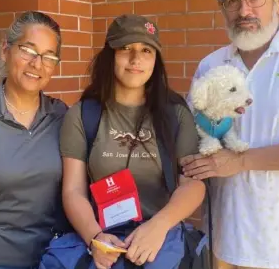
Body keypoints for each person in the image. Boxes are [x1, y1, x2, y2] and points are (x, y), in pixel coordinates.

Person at [182, 0, 279, 269]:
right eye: (233, 1)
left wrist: (240, 161)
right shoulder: (211, 65)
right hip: (226, 239)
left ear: (278, 1)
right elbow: (193, 134)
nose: (244, 11)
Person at [60, 14, 206, 269]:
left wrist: (159, 226)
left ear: (155, 60)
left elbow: (192, 184)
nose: (136, 59)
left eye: (146, 50)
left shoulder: (175, 113)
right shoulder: (84, 115)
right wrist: (95, 238)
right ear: (110, 56)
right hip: (104, 239)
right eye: (126, 48)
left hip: (160, 239)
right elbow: (73, 190)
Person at [0, 11, 68, 268]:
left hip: (53, 257)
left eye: (49, 56)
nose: (37, 64)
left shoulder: (61, 115)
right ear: (6, 51)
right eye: (28, 50)